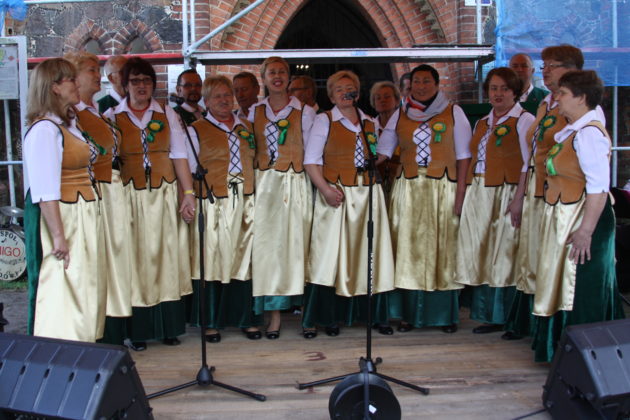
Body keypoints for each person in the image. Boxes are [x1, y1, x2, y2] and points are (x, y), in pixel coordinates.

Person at [504, 44, 606, 340]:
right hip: (542, 191)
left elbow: (595, 178)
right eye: (544, 65)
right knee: (534, 258)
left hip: (568, 200)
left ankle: (563, 338)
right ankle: (535, 327)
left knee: (559, 266)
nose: (546, 70)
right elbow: (531, 155)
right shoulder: (546, 104)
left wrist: (585, 226)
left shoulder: (586, 119)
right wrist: (520, 196)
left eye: (553, 65)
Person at [531, 70, 623, 362]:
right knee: (566, 284)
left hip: (585, 219)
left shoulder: (589, 134)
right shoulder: (573, 132)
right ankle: (564, 352)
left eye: (563, 93)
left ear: (582, 98)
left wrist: (586, 231)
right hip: (569, 215)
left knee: (581, 287)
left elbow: (598, 188)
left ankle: (587, 356)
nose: (557, 98)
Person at [104, 57, 195, 350]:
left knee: (167, 258)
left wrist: (188, 193)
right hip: (129, 197)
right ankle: (139, 331)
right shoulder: (111, 116)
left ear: (153, 85)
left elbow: (179, 155)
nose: (141, 86)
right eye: (135, 81)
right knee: (136, 261)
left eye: (146, 81)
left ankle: (169, 328)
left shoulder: (167, 113)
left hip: (164, 195)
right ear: (124, 85)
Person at [377, 64, 472, 333]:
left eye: (426, 81)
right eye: (416, 81)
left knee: (443, 249)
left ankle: (444, 316)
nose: (420, 86)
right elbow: (383, 150)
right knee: (408, 249)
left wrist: (461, 193)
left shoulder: (454, 112)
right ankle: (408, 315)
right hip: (408, 188)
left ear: (437, 84)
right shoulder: (400, 113)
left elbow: (464, 156)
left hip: (443, 188)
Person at [303, 70, 395, 337]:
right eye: (339, 89)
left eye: (349, 88)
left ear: (357, 92)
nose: (345, 93)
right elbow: (311, 161)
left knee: (369, 253)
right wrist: (325, 190)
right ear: (331, 96)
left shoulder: (369, 122)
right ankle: (329, 316)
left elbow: (378, 154)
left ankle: (372, 315)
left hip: (368, 194)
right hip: (338, 195)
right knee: (331, 255)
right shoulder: (325, 120)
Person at [23, 58, 106, 342]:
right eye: (70, 79)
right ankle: (61, 345)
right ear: (55, 87)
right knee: (63, 282)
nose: (76, 83)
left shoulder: (67, 124)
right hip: (63, 215)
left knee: (82, 282)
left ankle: (83, 342)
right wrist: (58, 236)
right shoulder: (45, 130)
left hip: (79, 211)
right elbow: (45, 190)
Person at [456, 67, 535, 334]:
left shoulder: (524, 120)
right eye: (493, 88)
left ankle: (509, 317)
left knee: (505, 253)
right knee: (483, 251)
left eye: (504, 89)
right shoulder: (482, 122)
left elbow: (528, 164)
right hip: (480, 190)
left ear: (515, 92)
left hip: (506, 191)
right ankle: (488, 314)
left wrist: (518, 198)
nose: (498, 94)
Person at [186, 75, 263, 342]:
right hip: (213, 201)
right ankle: (210, 322)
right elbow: (188, 168)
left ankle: (245, 319)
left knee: (244, 260)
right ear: (206, 101)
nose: (224, 100)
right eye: (217, 96)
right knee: (212, 260)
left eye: (227, 95)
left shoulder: (246, 126)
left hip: (245, 200)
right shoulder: (196, 129)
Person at [65, 51, 132, 345]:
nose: (97, 75)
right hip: (93, 193)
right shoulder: (72, 115)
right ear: (74, 77)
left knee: (112, 262)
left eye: (97, 69)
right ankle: (91, 333)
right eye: (91, 70)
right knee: (94, 262)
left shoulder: (95, 112)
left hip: (111, 192)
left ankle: (112, 330)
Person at [248, 56, 316, 339]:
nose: (277, 77)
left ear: (289, 78)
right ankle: (274, 315)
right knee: (268, 251)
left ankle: (307, 314)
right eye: (271, 72)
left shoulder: (306, 112)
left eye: (282, 72)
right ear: (263, 78)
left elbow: (313, 154)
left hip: (295, 183)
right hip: (265, 187)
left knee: (300, 246)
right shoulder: (254, 111)